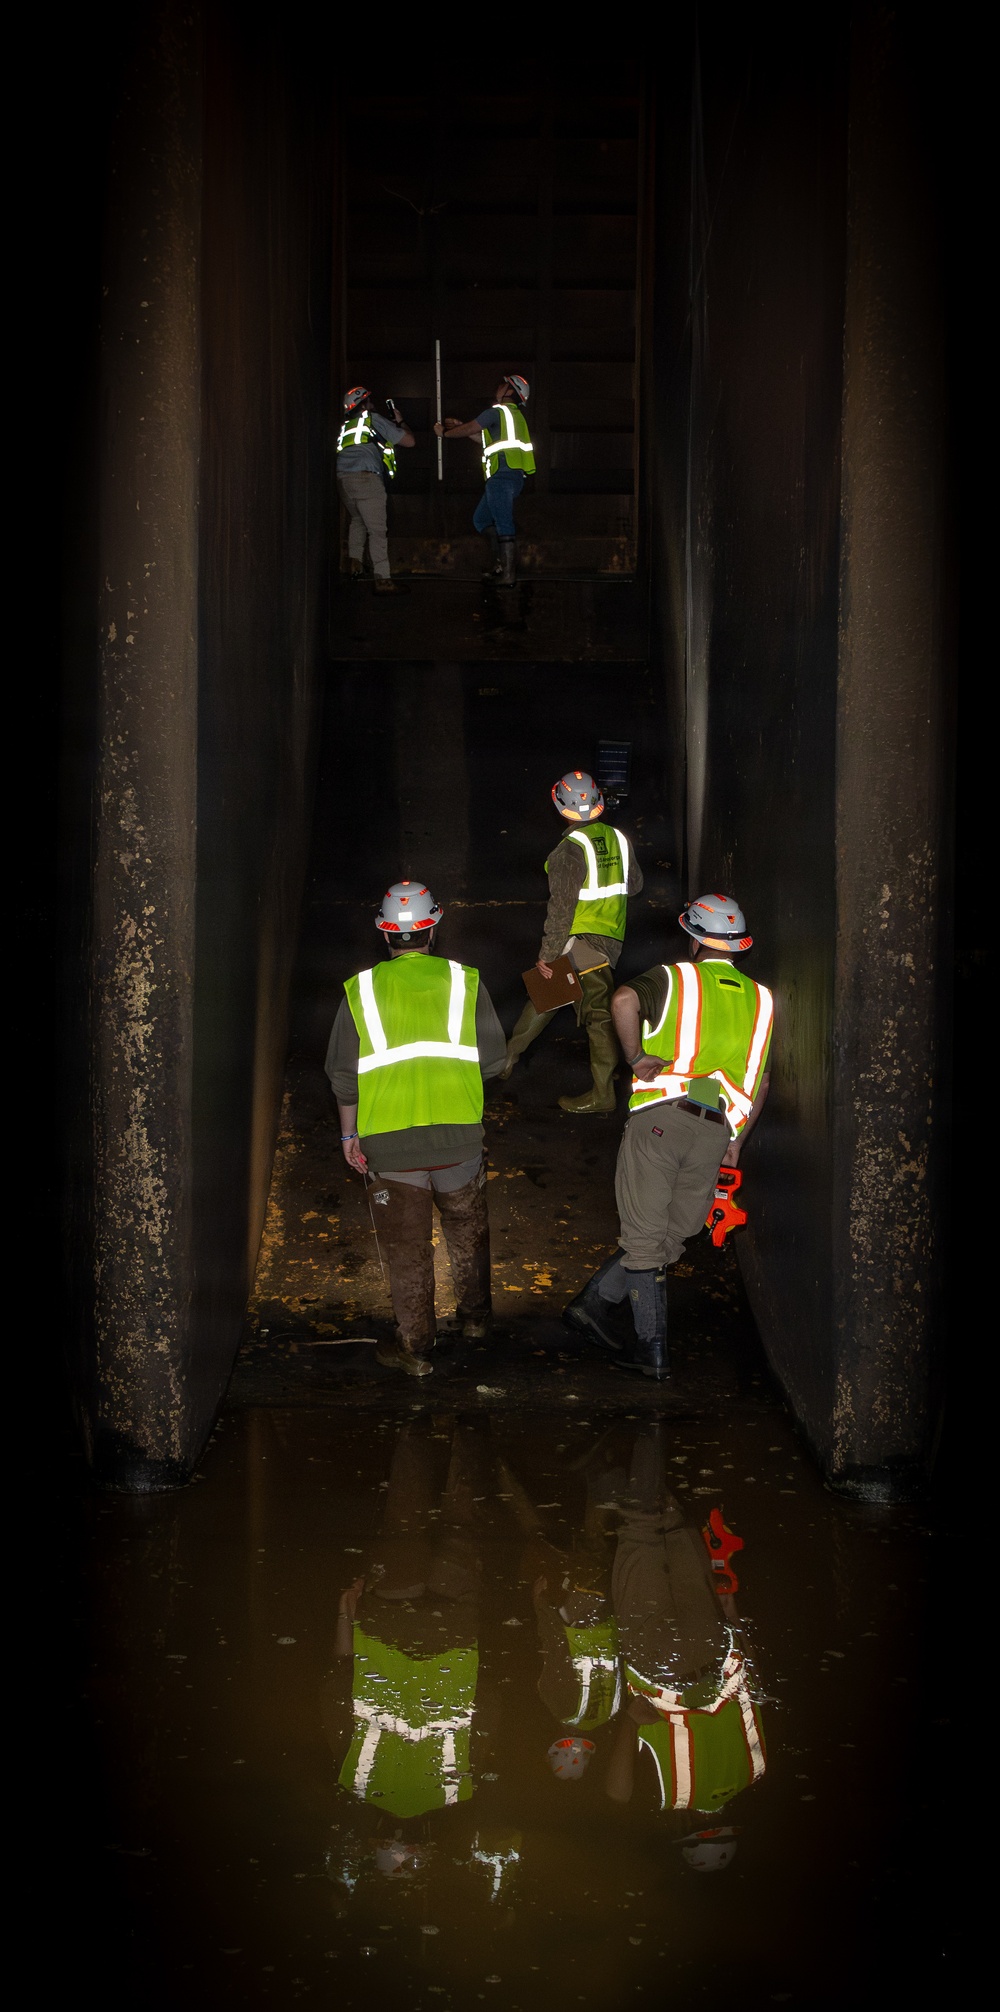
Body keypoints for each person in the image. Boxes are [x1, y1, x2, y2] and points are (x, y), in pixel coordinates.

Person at [563, 892, 773, 1377]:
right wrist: (735, 1143)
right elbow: (760, 1079)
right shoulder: (761, 1000)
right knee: (674, 1231)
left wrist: (635, 1058)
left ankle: (646, 1348)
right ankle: (602, 1314)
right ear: (737, 944)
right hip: (715, 1129)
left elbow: (622, 999)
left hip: (661, 1120)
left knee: (658, 1238)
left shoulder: (674, 976)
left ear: (695, 937)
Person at [325, 879, 506, 1377]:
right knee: (468, 1231)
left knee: (407, 1249)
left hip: (390, 1143)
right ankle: (474, 1321)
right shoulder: (466, 981)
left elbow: (343, 1078)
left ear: (385, 934)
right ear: (435, 926)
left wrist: (349, 1135)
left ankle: (416, 1349)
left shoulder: (359, 991)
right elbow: (493, 1062)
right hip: (459, 1138)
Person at [501, 770, 643, 1115]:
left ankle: (601, 1093)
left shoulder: (568, 851)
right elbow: (635, 885)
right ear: (599, 803)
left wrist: (547, 954)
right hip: (607, 937)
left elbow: (561, 910)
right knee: (555, 997)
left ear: (559, 807)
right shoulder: (619, 839)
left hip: (579, 936)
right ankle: (505, 1060)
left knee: (584, 1008)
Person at [434, 373, 534, 584]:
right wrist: (460, 426)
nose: (497, 388)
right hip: (512, 476)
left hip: (502, 476)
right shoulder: (513, 415)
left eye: (502, 385)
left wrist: (444, 432)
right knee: (480, 519)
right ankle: (501, 566)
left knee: (503, 522)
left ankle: (507, 574)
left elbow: (472, 427)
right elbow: (482, 438)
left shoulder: (496, 412)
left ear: (509, 391)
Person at [336, 385, 414, 595]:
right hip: (366, 479)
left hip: (343, 480)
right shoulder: (371, 418)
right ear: (363, 405)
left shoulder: (346, 426)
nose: (372, 404)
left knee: (357, 521)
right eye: (369, 401)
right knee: (377, 531)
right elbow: (409, 441)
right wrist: (400, 421)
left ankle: (354, 566)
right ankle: (383, 579)